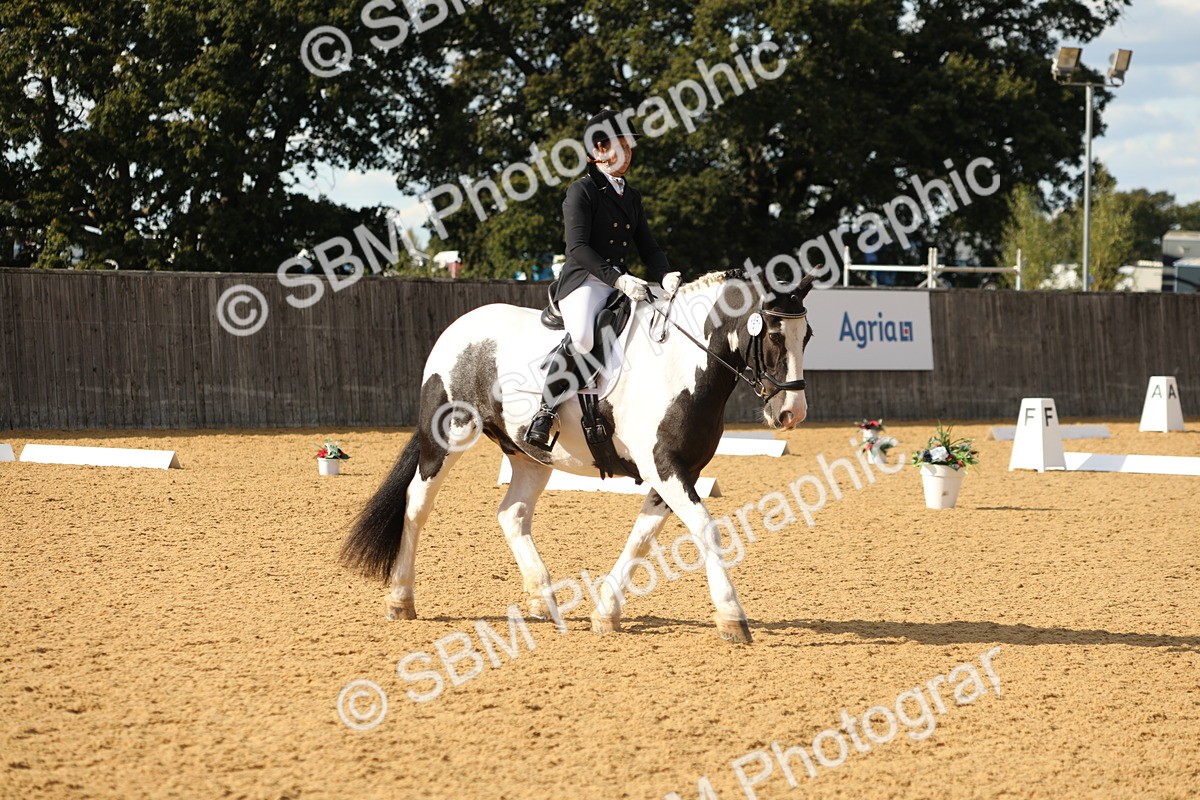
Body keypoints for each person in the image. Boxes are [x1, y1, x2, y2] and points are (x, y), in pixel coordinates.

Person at [523, 109, 681, 450]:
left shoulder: (631, 196)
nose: (628, 155)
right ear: (598, 150)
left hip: (620, 283)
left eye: (630, 148)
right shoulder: (581, 191)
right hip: (584, 282)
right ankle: (545, 411)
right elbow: (577, 247)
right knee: (581, 336)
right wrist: (619, 279)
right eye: (621, 147)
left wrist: (665, 274)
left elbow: (648, 246)